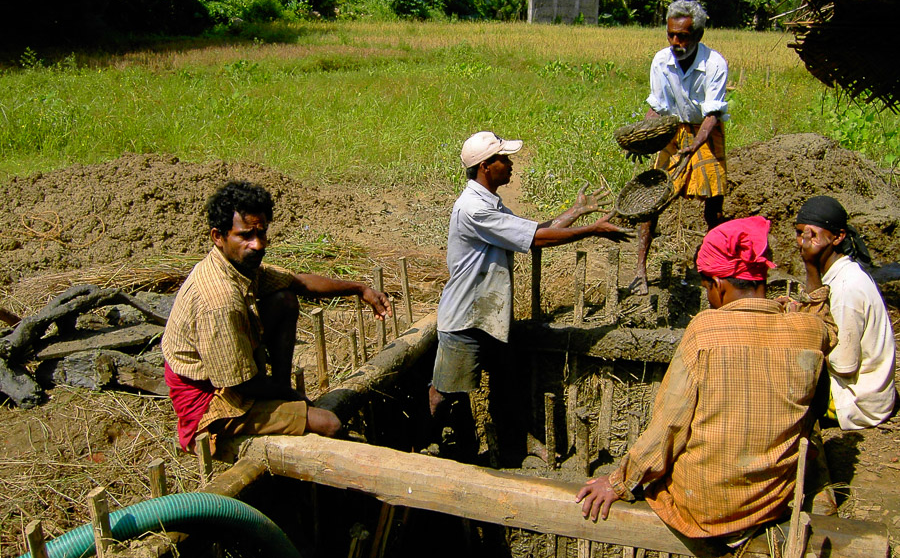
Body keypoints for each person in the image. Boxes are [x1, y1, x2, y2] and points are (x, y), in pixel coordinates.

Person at [577, 217, 837, 538]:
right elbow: (826, 325)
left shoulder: (705, 330)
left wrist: (619, 480)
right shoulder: (808, 331)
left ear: (719, 283)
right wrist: (803, 285)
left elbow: (669, 427)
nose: (710, 299)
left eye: (706, 289)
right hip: (771, 502)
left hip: (706, 506)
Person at [429, 131, 630, 460]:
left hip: (487, 314)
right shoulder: (473, 209)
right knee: (446, 390)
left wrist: (575, 213)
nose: (510, 164)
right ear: (485, 167)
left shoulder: (488, 203)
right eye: (504, 159)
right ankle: (435, 442)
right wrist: (592, 230)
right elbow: (537, 239)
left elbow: (531, 230)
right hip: (465, 318)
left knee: (506, 387)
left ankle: (513, 444)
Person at [161, 180, 391, 454]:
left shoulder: (240, 266)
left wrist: (360, 289)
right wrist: (291, 399)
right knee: (329, 423)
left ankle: (281, 387)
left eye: (261, 233)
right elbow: (240, 384)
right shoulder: (219, 301)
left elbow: (298, 283)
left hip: (233, 377)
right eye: (245, 235)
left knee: (283, 298)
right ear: (218, 237)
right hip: (210, 404)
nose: (257, 244)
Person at [632, 0, 729, 296]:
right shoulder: (661, 61)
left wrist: (696, 146)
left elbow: (712, 114)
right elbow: (657, 107)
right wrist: (642, 135)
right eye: (671, 34)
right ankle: (640, 270)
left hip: (706, 131)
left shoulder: (715, 64)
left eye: (683, 36)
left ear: (697, 35)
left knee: (713, 201)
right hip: (672, 129)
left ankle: (713, 268)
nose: (676, 41)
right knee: (651, 199)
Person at [795, 195, 896, 429]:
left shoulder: (845, 288)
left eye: (812, 234)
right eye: (800, 233)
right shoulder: (839, 275)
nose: (803, 242)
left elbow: (844, 366)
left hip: (859, 402)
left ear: (838, 237)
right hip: (868, 393)